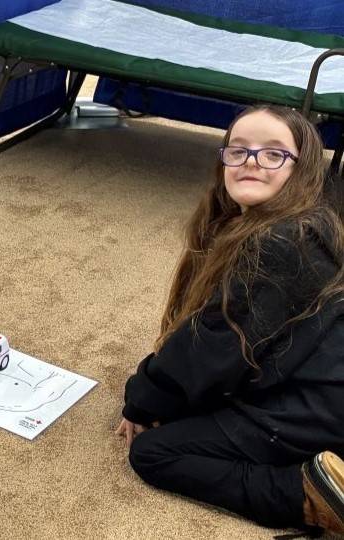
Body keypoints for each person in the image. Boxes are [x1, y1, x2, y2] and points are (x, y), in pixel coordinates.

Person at [116, 105, 344, 537]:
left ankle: (309, 496)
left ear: (304, 169)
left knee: (154, 452)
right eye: (238, 151)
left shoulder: (283, 242)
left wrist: (142, 400)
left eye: (274, 154)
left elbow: (210, 345)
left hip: (320, 405)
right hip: (311, 381)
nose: (252, 161)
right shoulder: (288, 226)